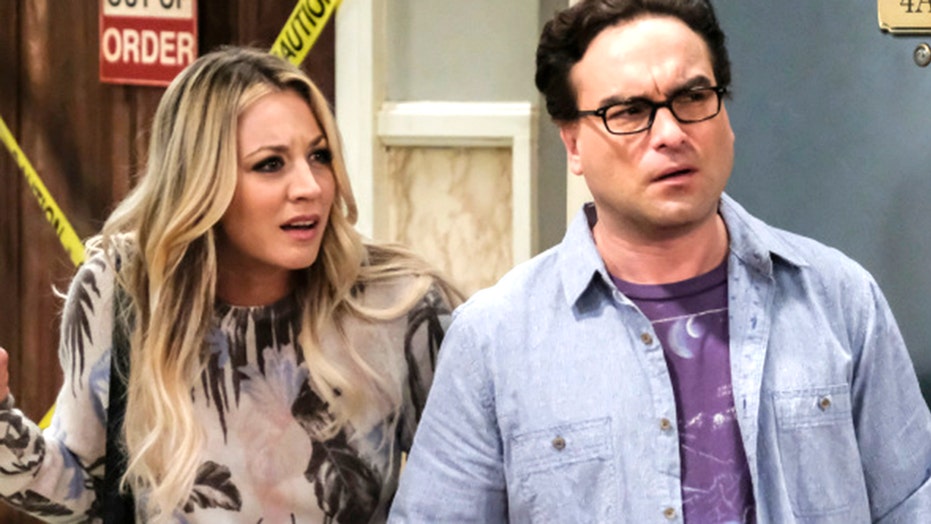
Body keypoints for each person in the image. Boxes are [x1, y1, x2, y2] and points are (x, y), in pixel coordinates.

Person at [389, 0, 931, 522]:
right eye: (629, 112)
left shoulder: (838, 300)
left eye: (693, 97)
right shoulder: (495, 340)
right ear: (573, 143)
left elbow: (912, 501)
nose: (671, 134)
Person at [0, 46, 462, 523]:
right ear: (199, 181)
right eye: (271, 164)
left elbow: (466, 496)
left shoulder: (395, 306)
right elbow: (80, 491)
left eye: (319, 156)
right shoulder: (122, 290)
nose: (310, 186)